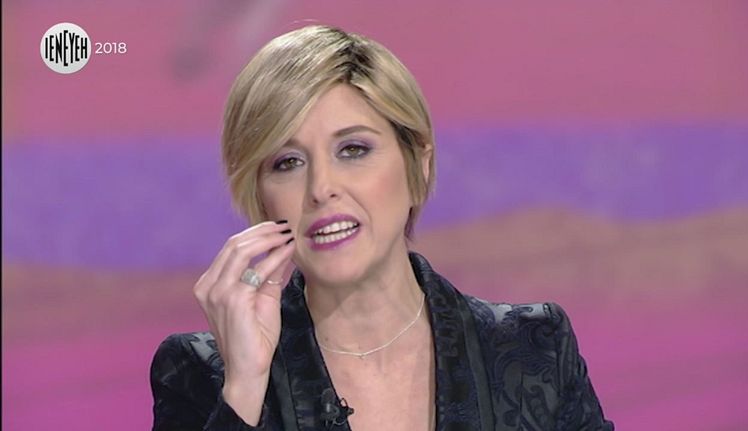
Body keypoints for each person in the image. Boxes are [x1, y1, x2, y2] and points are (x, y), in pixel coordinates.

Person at [150, 24, 614, 430]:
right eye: (287, 162)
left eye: (353, 150)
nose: (321, 188)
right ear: (260, 195)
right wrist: (246, 387)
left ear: (419, 167)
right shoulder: (202, 373)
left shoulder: (534, 349)